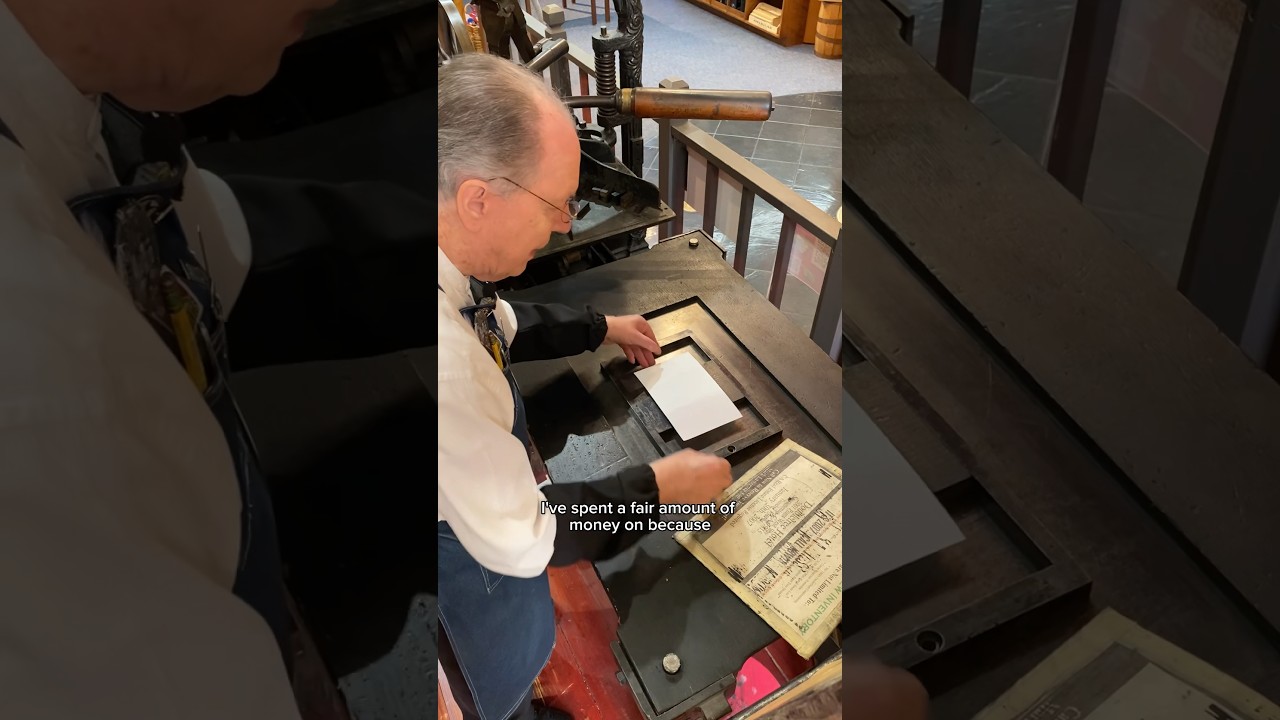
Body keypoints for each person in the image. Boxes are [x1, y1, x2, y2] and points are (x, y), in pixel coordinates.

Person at [437, 53, 736, 720]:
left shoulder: (449, 269)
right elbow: (539, 530)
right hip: (476, 628)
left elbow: (508, 323)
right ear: (477, 199)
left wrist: (603, 325)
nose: (566, 223)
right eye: (555, 203)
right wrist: (661, 489)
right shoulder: (446, 371)